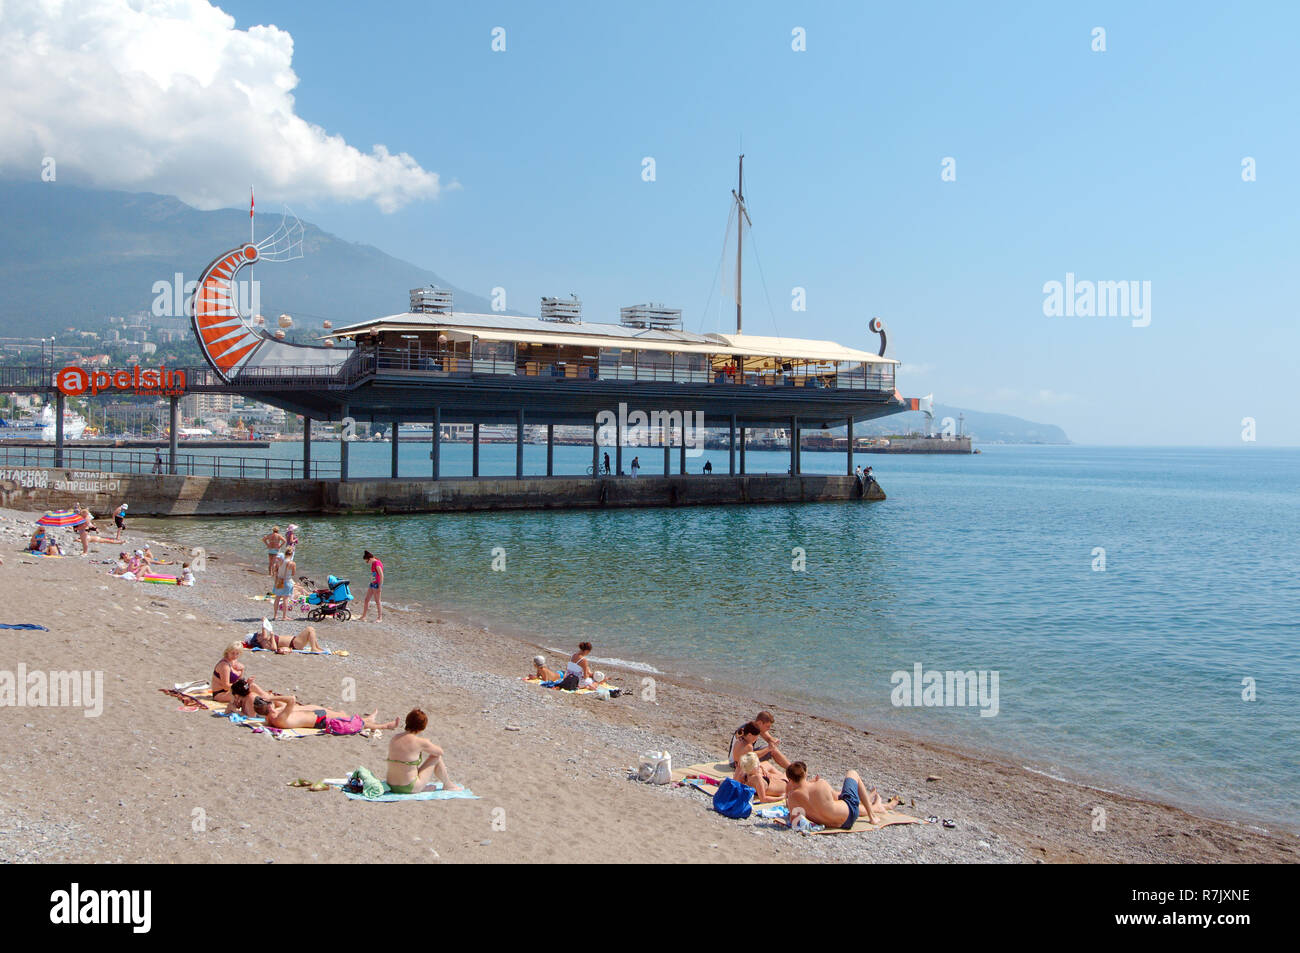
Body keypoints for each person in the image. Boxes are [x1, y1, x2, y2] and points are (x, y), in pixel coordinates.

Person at [783, 762, 899, 830]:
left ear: (790, 779)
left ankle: (874, 804)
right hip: (850, 815)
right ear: (805, 773)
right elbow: (837, 797)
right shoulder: (821, 784)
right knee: (853, 773)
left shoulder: (792, 797)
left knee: (838, 800)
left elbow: (794, 820)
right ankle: (872, 815)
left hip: (831, 824)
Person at [384, 708, 462, 794]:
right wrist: (428, 743)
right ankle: (448, 784)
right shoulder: (420, 742)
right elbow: (440, 752)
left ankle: (422, 787)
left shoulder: (395, 738)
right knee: (436, 757)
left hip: (391, 785)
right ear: (422, 726)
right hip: (408, 787)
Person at [240, 692, 397, 734]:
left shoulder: (271, 718)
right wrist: (272, 697)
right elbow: (292, 699)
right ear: (269, 707)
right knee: (350, 720)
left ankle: (369, 719)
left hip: (317, 714)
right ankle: (383, 726)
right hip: (320, 719)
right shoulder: (279, 717)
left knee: (346, 716)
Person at [727, 710, 791, 768]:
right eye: (767, 726)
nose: (769, 729)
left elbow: (768, 738)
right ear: (760, 723)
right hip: (736, 763)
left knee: (772, 749)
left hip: (742, 758)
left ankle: (792, 769)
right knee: (772, 751)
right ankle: (792, 770)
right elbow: (749, 755)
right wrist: (769, 749)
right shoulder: (750, 731)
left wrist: (772, 741)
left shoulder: (752, 726)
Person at [242, 618, 324, 654]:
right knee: (310, 629)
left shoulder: (265, 639)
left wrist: (264, 623)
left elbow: (264, 633)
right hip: (294, 644)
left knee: (312, 630)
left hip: (294, 641)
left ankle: (316, 647)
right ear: (257, 640)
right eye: (257, 636)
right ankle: (314, 648)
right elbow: (274, 648)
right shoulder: (264, 644)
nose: (259, 634)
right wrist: (272, 636)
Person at [358, 550, 383, 622]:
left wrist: (379, 587)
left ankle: (379, 618)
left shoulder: (377, 563)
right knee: (366, 600)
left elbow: (381, 576)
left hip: (377, 585)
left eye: (367, 561)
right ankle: (363, 616)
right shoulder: (373, 563)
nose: (367, 563)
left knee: (377, 601)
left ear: (370, 558)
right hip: (372, 584)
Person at [272, 549, 296, 621]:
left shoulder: (280, 561)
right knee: (285, 599)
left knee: (277, 598)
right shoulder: (292, 563)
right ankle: (284, 616)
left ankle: (275, 615)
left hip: (279, 580)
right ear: (291, 555)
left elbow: (276, 569)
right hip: (287, 581)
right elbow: (293, 574)